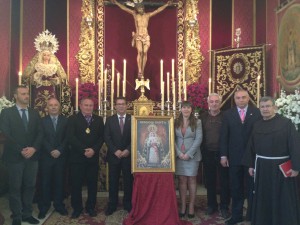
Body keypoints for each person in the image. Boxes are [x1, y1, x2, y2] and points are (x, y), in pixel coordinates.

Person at [242, 96, 300, 225]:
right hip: (262, 168)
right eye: (262, 107)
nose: (265, 109)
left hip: (280, 168)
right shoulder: (256, 125)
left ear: (275, 107)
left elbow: (295, 145)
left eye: (268, 106)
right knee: (264, 197)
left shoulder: (286, 123)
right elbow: (251, 146)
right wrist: (251, 165)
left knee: (282, 198)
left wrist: (296, 167)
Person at [0, 86, 43, 225]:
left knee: (30, 186)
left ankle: (27, 214)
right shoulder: (7, 113)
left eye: (27, 94)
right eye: (23, 94)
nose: (26, 96)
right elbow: (6, 134)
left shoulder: (34, 112)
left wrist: (34, 148)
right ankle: (17, 216)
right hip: (14, 157)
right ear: (15, 96)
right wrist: (21, 150)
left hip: (32, 156)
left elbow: (40, 133)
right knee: (15, 187)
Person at [220, 89, 261, 225]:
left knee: (251, 187)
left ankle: (251, 215)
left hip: (251, 157)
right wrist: (223, 155)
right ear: (234, 100)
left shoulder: (257, 113)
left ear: (248, 98)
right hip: (234, 157)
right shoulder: (227, 114)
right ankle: (236, 215)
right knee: (236, 187)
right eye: (238, 98)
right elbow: (224, 136)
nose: (241, 100)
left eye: (243, 97)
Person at [111, 0, 173, 77]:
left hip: (146, 36)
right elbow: (125, 9)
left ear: (143, 8)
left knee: (145, 52)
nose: (140, 9)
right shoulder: (135, 15)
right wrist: (117, 3)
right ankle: (140, 69)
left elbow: (158, 10)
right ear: (136, 9)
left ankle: (142, 70)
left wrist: (166, 5)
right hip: (139, 36)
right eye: (139, 8)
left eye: (141, 8)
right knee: (140, 51)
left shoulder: (147, 15)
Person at [67, 97, 104, 218]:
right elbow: (71, 137)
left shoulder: (98, 119)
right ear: (80, 106)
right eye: (86, 105)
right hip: (77, 158)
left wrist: (93, 149)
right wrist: (84, 150)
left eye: (91, 105)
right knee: (76, 184)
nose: (88, 108)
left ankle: (90, 207)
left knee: (92, 184)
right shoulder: (73, 119)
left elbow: (101, 137)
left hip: (92, 157)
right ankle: (77, 208)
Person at [200, 93, 230, 219]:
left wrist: (226, 154)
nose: (214, 104)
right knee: (210, 181)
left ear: (220, 102)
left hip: (223, 154)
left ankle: (224, 207)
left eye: (216, 101)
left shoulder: (226, 116)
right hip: (207, 153)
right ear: (208, 103)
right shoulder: (202, 117)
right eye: (211, 101)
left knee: (224, 182)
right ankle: (211, 205)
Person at [38, 98, 68, 219]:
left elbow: (67, 138)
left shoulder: (65, 121)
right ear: (47, 107)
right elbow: (41, 137)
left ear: (59, 107)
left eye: (56, 105)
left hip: (61, 156)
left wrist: (59, 150)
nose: (54, 107)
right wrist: (51, 150)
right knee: (45, 183)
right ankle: (44, 207)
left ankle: (59, 205)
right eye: (51, 105)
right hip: (46, 157)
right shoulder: (41, 121)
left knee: (59, 182)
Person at [104, 97, 133, 216]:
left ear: (127, 106)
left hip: (128, 156)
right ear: (115, 106)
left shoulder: (133, 119)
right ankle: (112, 204)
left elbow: (136, 136)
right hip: (114, 156)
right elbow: (106, 137)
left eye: (123, 104)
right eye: (118, 104)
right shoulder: (110, 120)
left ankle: (128, 203)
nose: (121, 106)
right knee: (113, 181)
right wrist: (115, 150)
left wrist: (128, 149)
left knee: (128, 181)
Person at [175, 101, 202, 219]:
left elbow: (198, 139)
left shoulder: (197, 122)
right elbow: (172, 139)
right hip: (179, 156)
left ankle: (191, 206)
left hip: (193, 156)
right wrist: (179, 153)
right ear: (180, 109)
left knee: (191, 179)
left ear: (191, 109)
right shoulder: (175, 122)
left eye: (188, 107)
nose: (186, 109)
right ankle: (182, 206)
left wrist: (189, 154)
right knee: (181, 180)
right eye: (183, 107)